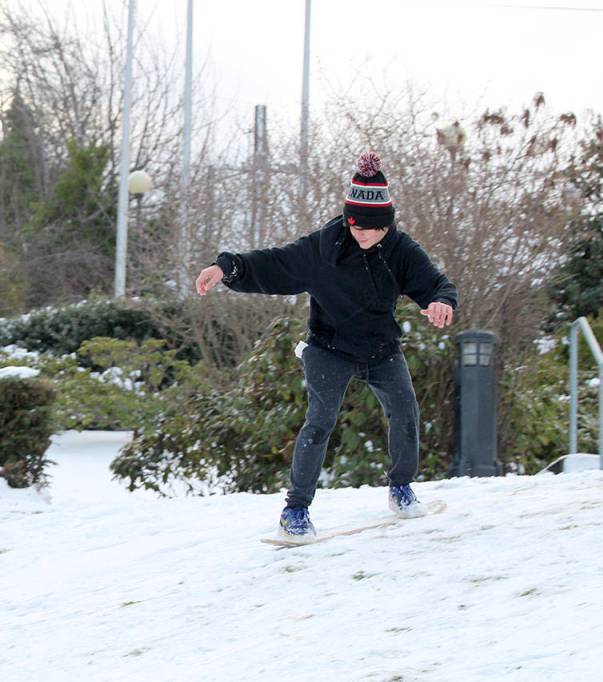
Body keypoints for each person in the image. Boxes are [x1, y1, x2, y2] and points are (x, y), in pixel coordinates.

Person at [194, 151, 458, 539]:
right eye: (354, 223)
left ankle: (401, 488)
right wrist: (226, 268)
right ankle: (295, 511)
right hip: (328, 349)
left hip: (380, 349)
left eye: (370, 226)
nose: (361, 232)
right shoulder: (325, 247)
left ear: (386, 223)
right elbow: (275, 263)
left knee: (405, 412)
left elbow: (435, 284)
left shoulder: (402, 251)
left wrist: (441, 302)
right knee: (319, 422)